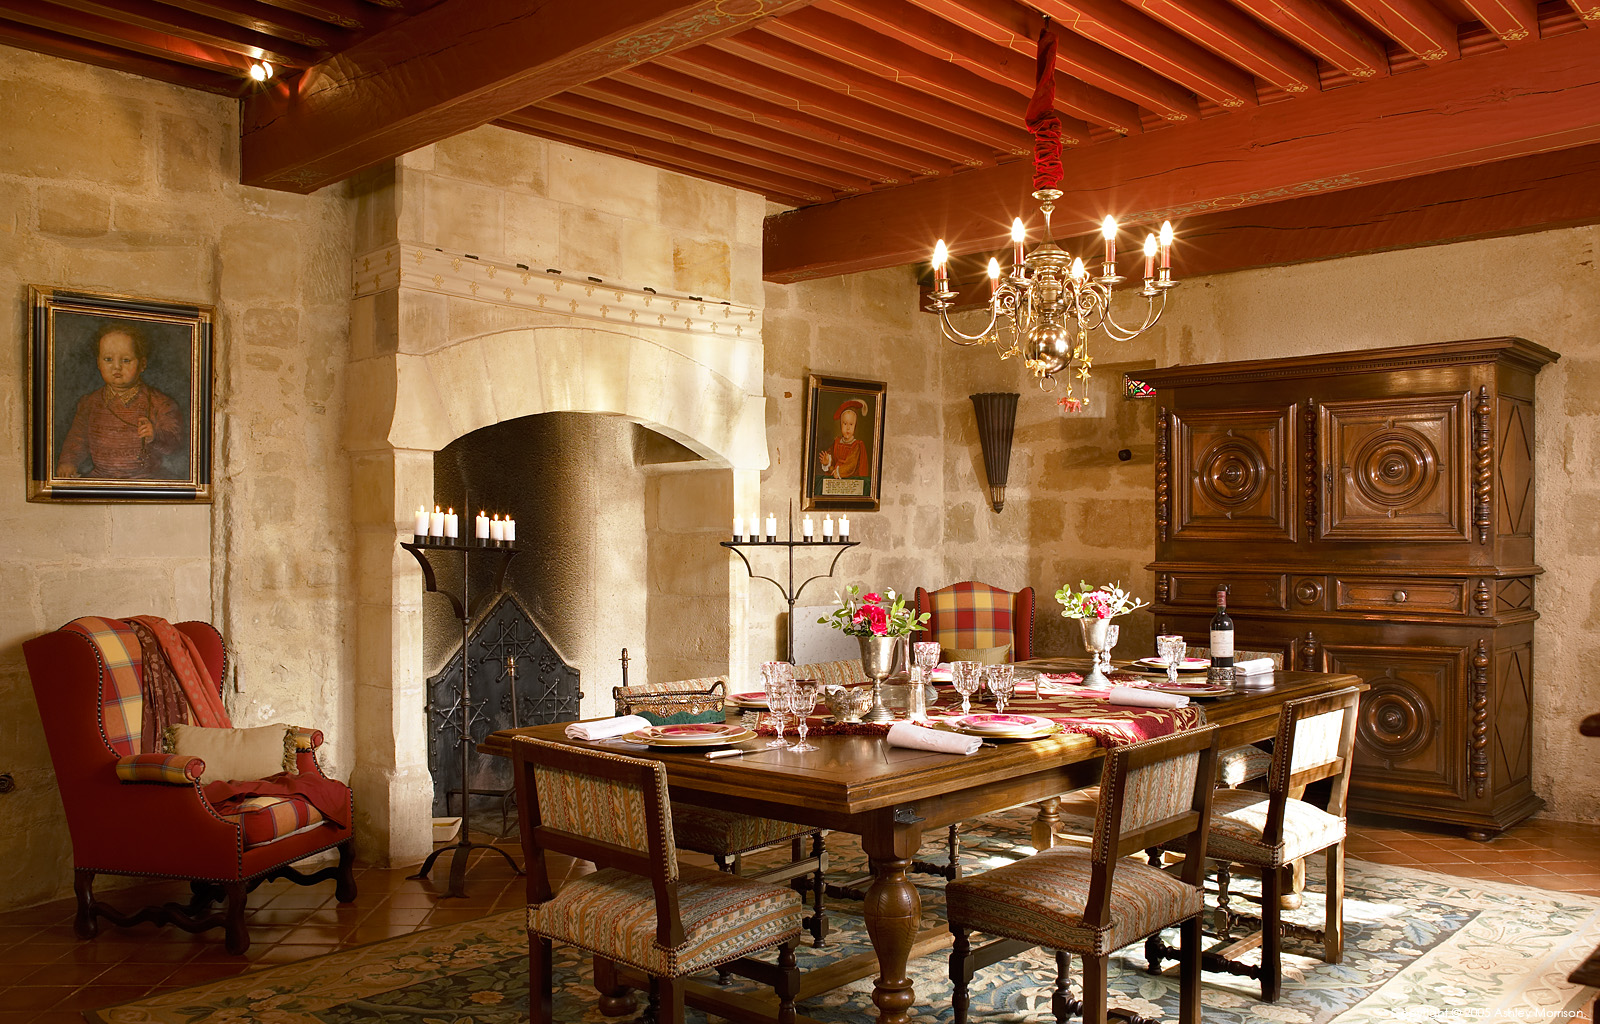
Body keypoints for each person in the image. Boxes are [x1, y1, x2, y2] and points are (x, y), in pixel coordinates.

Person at [56, 323, 183, 480]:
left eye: (126, 360)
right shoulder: (90, 402)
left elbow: (175, 443)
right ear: (98, 363)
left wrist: (155, 435)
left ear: (142, 364)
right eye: (108, 359)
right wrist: (68, 461)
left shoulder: (160, 403)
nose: (116, 367)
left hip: (146, 479)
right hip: (101, 478)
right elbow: (77, 438)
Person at [818, 398, 870, 481]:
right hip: (837, 480)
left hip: (851, 481)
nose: (848, 428)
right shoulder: (837, 442)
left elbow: (851, 465)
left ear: (855, 426)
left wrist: (839, 472)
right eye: (845, 424)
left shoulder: (857, 445)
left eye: (851, 424)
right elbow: (832, 460)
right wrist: (827, 462)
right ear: (840, 425)